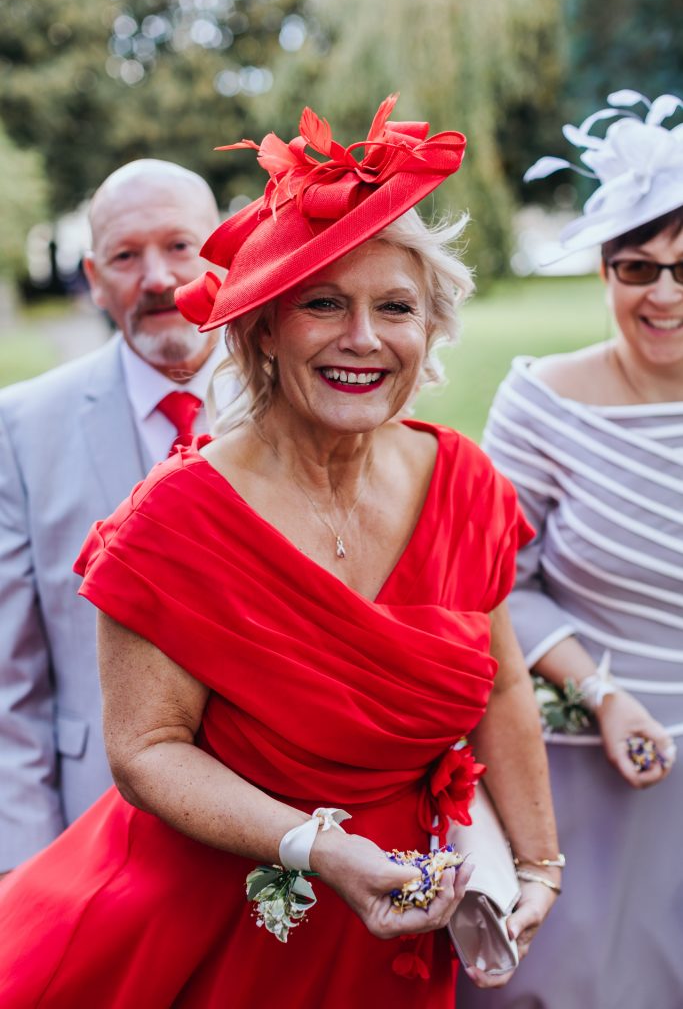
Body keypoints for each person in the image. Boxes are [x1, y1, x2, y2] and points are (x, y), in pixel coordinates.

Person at [0, 96, 561, 1008]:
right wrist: (318, 848)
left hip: (393, 933)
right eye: (323, 305)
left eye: (396, 308)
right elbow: (145, 750)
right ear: (262, 328)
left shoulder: (464, 482)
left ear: (432, 329)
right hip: (204, 930)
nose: (364, 339)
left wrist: (539, 862)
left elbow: (499, 684)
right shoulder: (172, 520)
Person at [458, 90, 683, 1009]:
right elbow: (494, 585)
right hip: (588, 760)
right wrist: (597, 688)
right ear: (603, 272)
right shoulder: (542, 402)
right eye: (637, 268)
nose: (663, 293)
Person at [0, 159, 229, 875]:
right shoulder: (20, 427)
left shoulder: (302, 399)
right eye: (127, 256)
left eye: (179, 246)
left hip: (292, 831)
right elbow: (12, 684)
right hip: (96, 832)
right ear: (96, 279)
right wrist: (28, 870)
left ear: (224, 249)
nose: (157, 277)